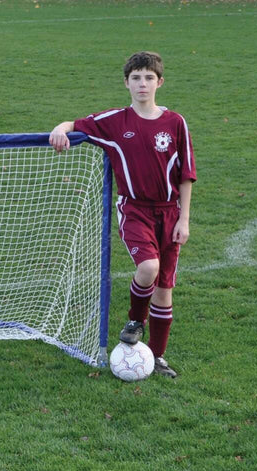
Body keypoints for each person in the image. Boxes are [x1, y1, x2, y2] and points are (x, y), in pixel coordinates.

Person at [48, 51, 195, 378]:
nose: (142, 84)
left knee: (164, 288)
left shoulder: (175, 123)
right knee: (148, 267)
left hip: (170, 212)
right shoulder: (115, 121)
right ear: (126, 83)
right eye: (136, 78)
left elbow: (186, 174)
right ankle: (135, 320)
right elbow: (75, 125)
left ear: (160, 82)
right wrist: (60, 127)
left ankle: (156, 358)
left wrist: (184, 219)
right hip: (135, 210)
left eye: (148, 78)